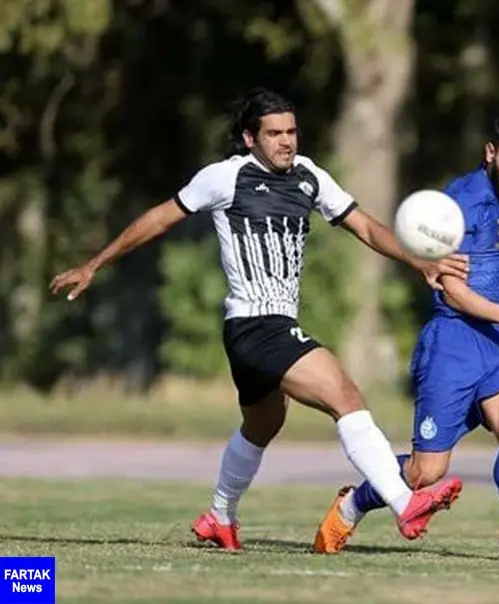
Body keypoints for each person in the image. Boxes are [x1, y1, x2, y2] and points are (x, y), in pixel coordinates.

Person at [48, 88, 469, 552]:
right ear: (250, 138)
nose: (286, 141)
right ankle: (403, 502)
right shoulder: (226, 178)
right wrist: (94, 264)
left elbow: (364, 225)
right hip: (256, 324)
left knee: (263, 424)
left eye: (291, 131)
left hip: (258, 330)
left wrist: (418, 262)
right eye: (274, 133)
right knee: (345, 395)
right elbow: (158, 219)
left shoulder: (309, 176)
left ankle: (219, 516)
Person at [312, 106, 499, 554]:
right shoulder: (457, 205)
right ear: (490, 152)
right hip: (455, 342)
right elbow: (452, 291)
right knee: (426, 473)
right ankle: (349, 507)